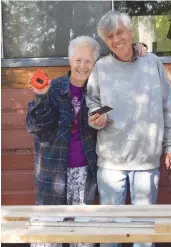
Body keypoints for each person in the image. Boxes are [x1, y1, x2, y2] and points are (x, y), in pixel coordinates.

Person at [26, 35, 147, 247]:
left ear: (95, 63)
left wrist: (136, 48)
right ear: (70, 60)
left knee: (82, 238)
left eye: (88, 61)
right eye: (78, 60)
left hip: (84, 173)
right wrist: (41, 97)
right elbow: (36, 126)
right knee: (47, 237)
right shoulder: (51, 88)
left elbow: (120, 63)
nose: (82, 66)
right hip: (53, 173)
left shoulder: (100, 91)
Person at [86, 11, 171, 247]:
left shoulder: (153, 63)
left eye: (120, 32)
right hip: (110, 164)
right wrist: (95, 118)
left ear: (130, 32)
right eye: (109, 36)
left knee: (145, 236)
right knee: (110, 236)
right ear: (105, 41)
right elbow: (93, 105)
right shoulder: (101, 68)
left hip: (146, 162)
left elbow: (168, 106)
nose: (116, 39)